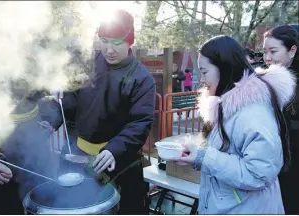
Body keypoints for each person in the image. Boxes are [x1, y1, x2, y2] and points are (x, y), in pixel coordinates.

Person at [172, 35, 296, 214]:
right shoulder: (228, 105)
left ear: (224, 68)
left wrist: (203, 157)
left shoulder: (253, 113)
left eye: (204, 72)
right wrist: (196, 157)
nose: (202, 80)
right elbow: (227, 153)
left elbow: (258, 174)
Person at [57, 10, 156, 214]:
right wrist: (52, 112)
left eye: (117, 42)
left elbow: (140, 122)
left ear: (130, 42)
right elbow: (69, 101)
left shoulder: (141, 78)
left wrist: (114, 149)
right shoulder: (87, 64)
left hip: (119, 159)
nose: (109, 50)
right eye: (104, 41)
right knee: (75, 207)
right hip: (77, 154)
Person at [263, 24, 299, 215]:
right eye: (264, 52)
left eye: (273, 51)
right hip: (276, 163)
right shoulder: (268, 79)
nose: (267, 58)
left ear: (292, 50)